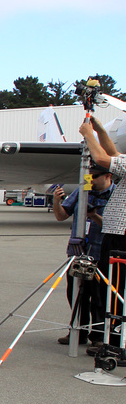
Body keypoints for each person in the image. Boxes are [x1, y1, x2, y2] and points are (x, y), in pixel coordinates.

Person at [52, 169, 114, 348]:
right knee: (76, 293)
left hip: (101, 253)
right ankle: (78, 332)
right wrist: (57, 201)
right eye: (89, 176)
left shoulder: (116, 195)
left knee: (99, 297)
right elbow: (61, 215)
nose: (91, 180)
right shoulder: (82, 190)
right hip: (78, 253)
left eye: (95, 176)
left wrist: (94, 215)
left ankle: (99, 335)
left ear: (108, 176)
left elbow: (114, 228)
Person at [81, 116, 126, 351]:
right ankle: (112, 338)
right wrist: (100, 131)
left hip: (121, 237)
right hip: (116, 234)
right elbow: (115, 155)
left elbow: (101, 159)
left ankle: (115, 343)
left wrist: (88, 134)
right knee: (112, 287)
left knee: (115, 289)